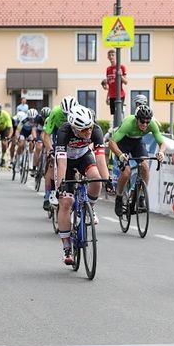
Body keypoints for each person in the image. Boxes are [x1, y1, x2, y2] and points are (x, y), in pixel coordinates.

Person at [53, 105, 105, 265]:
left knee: (96, 180)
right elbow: (62, 162)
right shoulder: (64, 131)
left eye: (90, 127)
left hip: (83, 157)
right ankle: (67, 248)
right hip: (66, 162)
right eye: (84, 130)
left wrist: (107, 179)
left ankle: (90, 208)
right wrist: (60, 185)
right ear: (74, 128)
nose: (88, 132)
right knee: (66, 202)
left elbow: (100, 158)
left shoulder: (96, 130)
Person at [107, 104, 174, 214]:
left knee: (145, 166)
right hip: (123, 143)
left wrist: (161, 152)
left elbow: (162, 143)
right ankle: (119, 197)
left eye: (147, 122)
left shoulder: (152, 124)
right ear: (137, 119)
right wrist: (120, 155)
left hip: (137, 143)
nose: (145, 124)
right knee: (126, 172)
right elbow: (111, 142)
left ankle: (141, 196)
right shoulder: (128, 123)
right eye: (142, 121)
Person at [102, 49, 128, 121]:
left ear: (116, 56)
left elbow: (126, 82)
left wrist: (120, 75)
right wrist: (107, 97)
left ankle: (122, 126)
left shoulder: (121, 67)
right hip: (111, 96)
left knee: (119, 113)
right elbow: (109, 85)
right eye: (109, 55)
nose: (111, 57)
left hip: (120, 95)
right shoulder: (108, 69)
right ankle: (115, 127)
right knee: (114, 115)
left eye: (112, 55)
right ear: (107, 57)